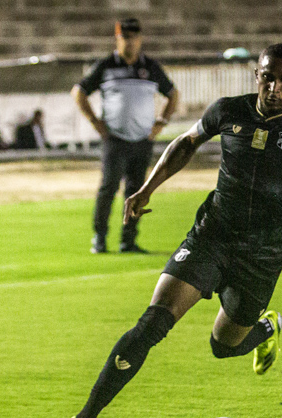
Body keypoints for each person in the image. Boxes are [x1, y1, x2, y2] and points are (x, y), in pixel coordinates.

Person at [50, 43, 282, 418]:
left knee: (224, 346)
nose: (274, 88)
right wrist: (147, 189)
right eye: (268, 78)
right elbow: (185, 143)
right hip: (212, 234)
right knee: (153, 321)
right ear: (257, 76)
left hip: (263, 252)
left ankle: (266, 330)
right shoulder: (229, 110)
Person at [72, 17, 179, 255]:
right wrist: (94, 121)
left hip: (142, 140)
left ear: (140, 39)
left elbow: (173, 94)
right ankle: (99, 237)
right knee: (108, 188)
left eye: (133, 38)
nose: (129, 43)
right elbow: (79, 92)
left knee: (137, 191)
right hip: (116, 140)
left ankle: (128, 240)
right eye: (124, 38)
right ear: (117, 39)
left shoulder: (150, 67)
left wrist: (160, 122)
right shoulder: (107, 65)